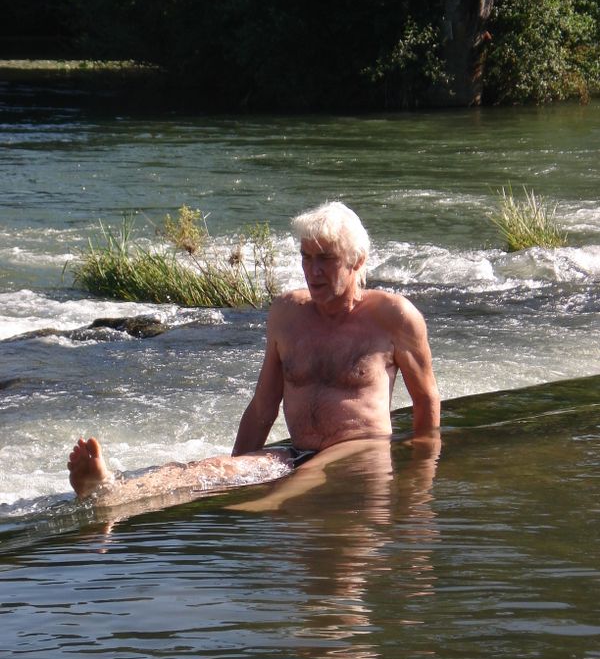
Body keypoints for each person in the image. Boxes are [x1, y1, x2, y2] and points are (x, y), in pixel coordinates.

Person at [68, 201, 440, 506]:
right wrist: (235, 475)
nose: (313, 271)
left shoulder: (394, 317)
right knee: (209, 471)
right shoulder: (287, 314)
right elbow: (263, 408)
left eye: (325, 258)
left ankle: (265, 501)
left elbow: (426, 400)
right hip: (297, 452)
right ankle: (109, 491)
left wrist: (421, 485)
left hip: (362, 452)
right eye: (306, 257)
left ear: (356, 260)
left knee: (289, 488)